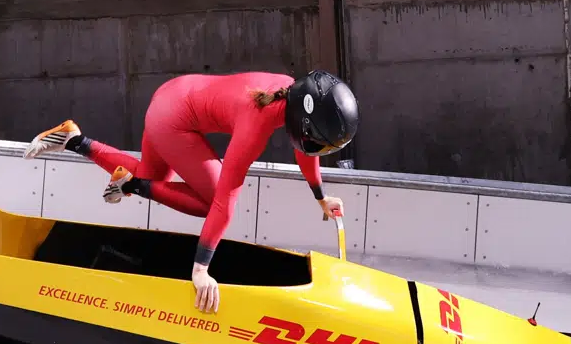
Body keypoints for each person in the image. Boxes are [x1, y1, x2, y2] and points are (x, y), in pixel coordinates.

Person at [24, 70, 359, 314]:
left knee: (152, 175)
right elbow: (226, 200)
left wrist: (320, 196)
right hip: (173, 120)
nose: (317, 148)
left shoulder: (289, 90)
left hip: (170, 95)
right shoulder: (255, 125)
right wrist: (200, 270)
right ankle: (132, 185)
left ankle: (74, 139)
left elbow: (305, 151)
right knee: (210, 202)